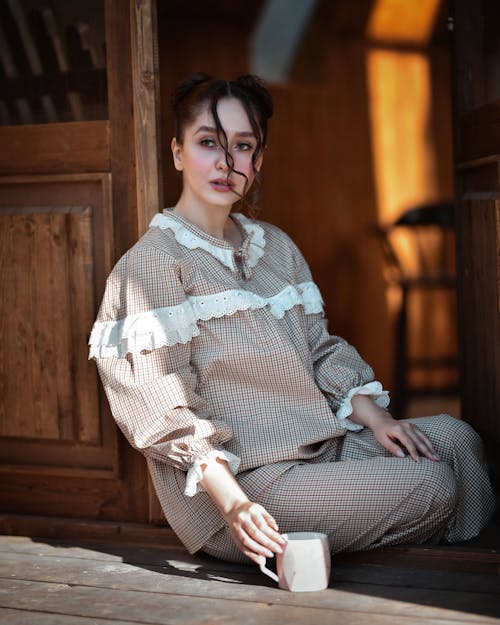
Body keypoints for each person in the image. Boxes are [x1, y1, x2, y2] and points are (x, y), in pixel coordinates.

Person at [89, 72, 495, 565]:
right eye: (207, 143)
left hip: (320, 451)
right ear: (177, 152)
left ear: (257, 160)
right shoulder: (151, 264)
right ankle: (379, 542)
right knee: (432, 483)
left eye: (242, 146)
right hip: (244, 489)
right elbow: (158, 406)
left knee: (457, 440)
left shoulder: (274, 247)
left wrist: (376, 417)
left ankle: (403, 546)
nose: (225, 162)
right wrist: (235, 502)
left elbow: (319, 348)